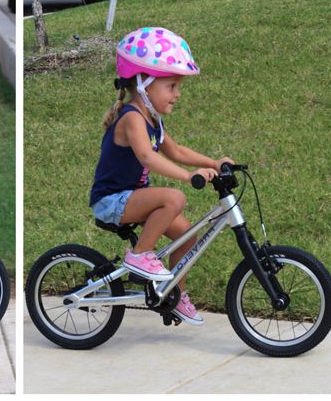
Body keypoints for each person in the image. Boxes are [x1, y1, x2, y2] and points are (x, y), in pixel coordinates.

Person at [89, 27, 233, 326]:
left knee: (187, 236)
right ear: (144, 84)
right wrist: (187, 177)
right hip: (112, 201)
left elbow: (176, 151)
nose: (177, 94)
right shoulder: (131, 117)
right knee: (174, 198)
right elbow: (147, 156)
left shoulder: (154, 120)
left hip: (133, 198)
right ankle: (140, 255)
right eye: (171, 86)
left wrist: (214, 163)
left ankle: (173, 296)